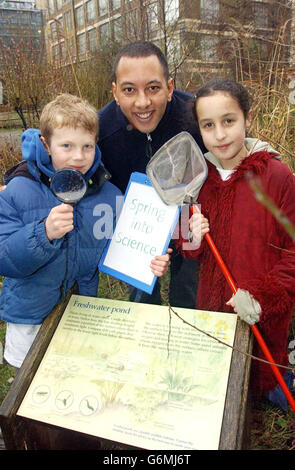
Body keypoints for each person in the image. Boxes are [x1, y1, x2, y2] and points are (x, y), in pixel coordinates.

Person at [0, 93, 170, 371]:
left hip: (79, 310)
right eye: (66, 145)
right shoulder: (19, 191)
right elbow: (5, 259)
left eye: (87, 146)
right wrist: (43, 234)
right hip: (29, 315)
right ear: (46, 144)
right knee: (28, 388)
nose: (78, 156)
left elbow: (122, 248)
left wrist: (148, 262)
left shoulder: (108, 195)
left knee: (70, 374)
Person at [176, 78, 295, 410]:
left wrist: (261, 296)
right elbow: (186, 245)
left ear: (247, 118)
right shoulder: (194, 181)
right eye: (208, 125)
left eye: (229, 121)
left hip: (263, 324)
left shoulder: (277, 177)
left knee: (268, 387)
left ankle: (274, 384)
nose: (220, 134)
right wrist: (192, 236)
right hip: (213, 322)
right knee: (221, 402)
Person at [98, 40, 206, 308]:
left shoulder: (195, 116)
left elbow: (232, 144)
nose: (142, 102)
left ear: (169, 88)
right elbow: (66, 159)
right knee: (141, 298)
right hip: (138, 225)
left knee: (190, 289)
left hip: (189, 216)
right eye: (129, 90)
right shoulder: (101, 129)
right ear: (115, 93)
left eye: (153, 88)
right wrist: (22, 178)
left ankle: (187, 329)